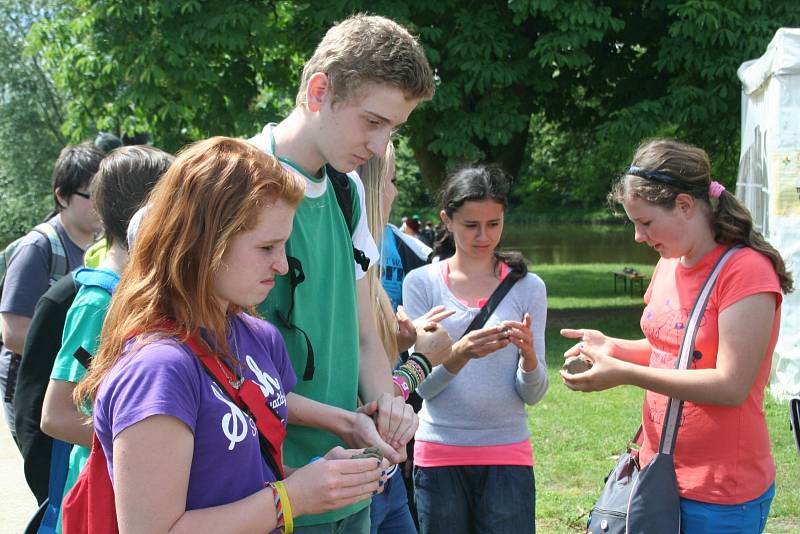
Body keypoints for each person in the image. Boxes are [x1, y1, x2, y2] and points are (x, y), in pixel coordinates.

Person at [72, 137, 386, 533]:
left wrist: (325, 479)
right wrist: (293, 498)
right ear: (204, 243)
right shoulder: (157, 367)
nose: (283, 265)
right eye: (267, 247)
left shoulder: (256, 336)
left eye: (284, 245)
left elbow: (238, 479)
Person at [248, 14, 435, 532]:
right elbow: (213, 366)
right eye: (372, 122)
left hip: (351, 486)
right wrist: (345, 421)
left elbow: (363, 337)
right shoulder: (234, 183)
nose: (380, 148)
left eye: (393, 130)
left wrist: (386, 405)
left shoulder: (347, 191)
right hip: (266, 490)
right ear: (318, 91)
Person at [560, 139, 793, 533]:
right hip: (659, 472)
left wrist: (624, 373)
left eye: (646, 222)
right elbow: (675, 351)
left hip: (721, 490)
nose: (638, 236)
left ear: (685, 205)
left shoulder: (746, 272)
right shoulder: (670, 262)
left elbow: (731, 384)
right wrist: (612, 347)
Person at [403, 165, 549, 534]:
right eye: (471, 225)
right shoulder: (421, 283)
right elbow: (421, 389)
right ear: (447, 220)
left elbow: (533, 394)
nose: (483, 236)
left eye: (494, 224)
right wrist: (461, 353)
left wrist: (529, 358)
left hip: (507, 453)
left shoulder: (528, 287)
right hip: (439, 453)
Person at [38, 145, 173, 532]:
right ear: (151, 216)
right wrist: (141, 441)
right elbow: (57, 414)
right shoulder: (99, 304)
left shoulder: (148, 296)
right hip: (101, 501)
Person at [359, 143, 454, 533]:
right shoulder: (353, 266)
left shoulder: (365, 260)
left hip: (382, 469)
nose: (395, 193)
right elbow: (361, 401)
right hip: (356, 471)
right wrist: (421, 361)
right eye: (391, 180)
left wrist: (398, 344)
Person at [0, 142, 104, 444]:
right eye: (90, 194)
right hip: (31, 385)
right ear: (62, 196)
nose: (99, 203)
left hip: (74, 382)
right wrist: (78, 350)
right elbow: (12, 331)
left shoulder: (98, 246)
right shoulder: (38, 248)